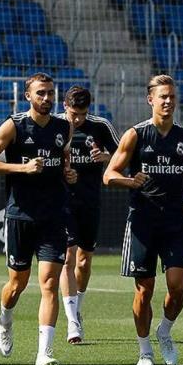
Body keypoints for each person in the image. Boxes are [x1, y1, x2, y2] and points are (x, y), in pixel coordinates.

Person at [103, 75, 183, 365]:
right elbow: (109, 174)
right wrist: (130, 181)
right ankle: (144, 350)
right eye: (163, 97)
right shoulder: (135, 135)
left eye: (172, 97)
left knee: (177, 288)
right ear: (151, 99)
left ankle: (164, 331)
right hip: (142, 222)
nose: (169, 102)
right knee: (144, 289)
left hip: (175, 221)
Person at [0, 72, 75, 365]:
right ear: (28, 96)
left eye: (50, 93)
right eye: (40, 94)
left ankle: (44, 354)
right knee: (17, 283)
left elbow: (64, 159)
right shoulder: (14, 125)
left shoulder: (64, 126)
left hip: (54, 216)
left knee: (48, 283)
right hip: (20, 215)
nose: (46, 99)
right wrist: (22, 168)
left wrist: (69, 174)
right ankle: (5, 316)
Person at [57, 86, 119, 345]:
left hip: (90, 201)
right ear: (65, 107)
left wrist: (107, 157)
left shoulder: (101, 126)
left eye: (82, 114)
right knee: (68, 257)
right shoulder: (55, 126)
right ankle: (72, 320)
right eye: (73, 113)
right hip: (61, 202)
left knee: (84, 261)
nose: (77, 119)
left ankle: (77, 306)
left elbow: (124, 154)